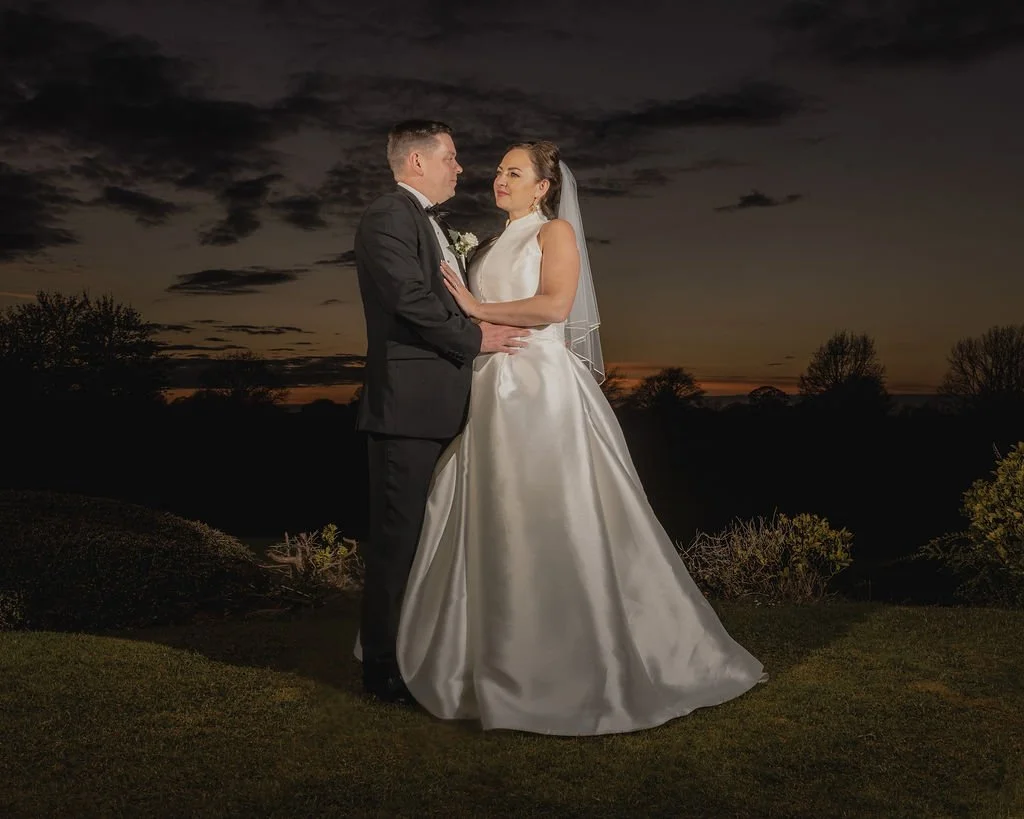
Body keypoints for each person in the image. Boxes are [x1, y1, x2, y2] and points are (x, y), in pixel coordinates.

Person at [395, 140, 766, 735]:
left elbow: (555, 305)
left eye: (514, 173)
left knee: (551, 509)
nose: (499, 179)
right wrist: (468, 314)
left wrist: (470, 306)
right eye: (498, 171)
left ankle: (577, 659)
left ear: (543, 187)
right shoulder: (489, 244)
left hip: (539, 390)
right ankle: (483, 654)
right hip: (491, 383)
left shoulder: (554, 235)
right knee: (492, 509)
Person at [353, 120, 528, 704]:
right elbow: (408, 298)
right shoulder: (389, 216)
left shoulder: (430, 222)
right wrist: (476, 337)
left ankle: (427, 651)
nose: (460, 168)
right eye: (451, 158)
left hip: (448, 404)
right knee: (397, 539)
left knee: (435, 538)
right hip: (407, 407)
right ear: (418, 163)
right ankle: (381, 668)